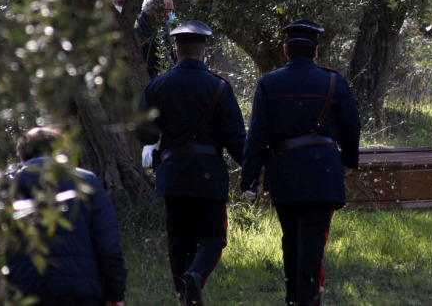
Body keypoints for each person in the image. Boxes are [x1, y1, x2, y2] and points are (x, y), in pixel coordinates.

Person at [240, 19, 360, 306]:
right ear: (316, 52)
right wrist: (347, 162)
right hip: (323, 172)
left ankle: (294, 297)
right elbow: (352, 126)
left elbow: (256, 135)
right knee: (313, 240)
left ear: (285, 50)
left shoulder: (269, 83)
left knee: (291, 238)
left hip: (285, 174)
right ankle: (307, 298)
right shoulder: (334, 81)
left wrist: (250, 179)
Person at [136, 20, 246, 306]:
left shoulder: (157, 86)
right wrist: (254, 166)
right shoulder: (220, 88)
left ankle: (183, 296)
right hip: (209, 174)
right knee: (213, 237)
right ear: (204, 52)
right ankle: (196, 275)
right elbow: (235, 139)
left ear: (175, 51)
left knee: (178, 238)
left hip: (172, 172)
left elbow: (144, 133)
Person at [0, 127, 127, 306]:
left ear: (22, 155)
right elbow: (108, 245)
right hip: (81, 292)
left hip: (24, 292)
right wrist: (115, 294)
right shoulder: (86, 182)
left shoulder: (7, 186)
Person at [135, 0, 177, 79]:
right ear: (154, 11)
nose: (168, 16)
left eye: (171, 11)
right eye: (167, 12)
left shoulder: (162, 27)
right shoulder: (139, 31)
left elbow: (169, 52)